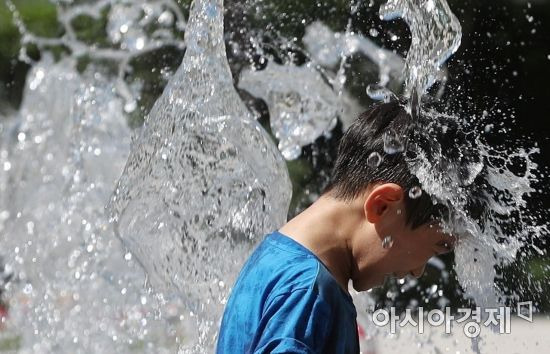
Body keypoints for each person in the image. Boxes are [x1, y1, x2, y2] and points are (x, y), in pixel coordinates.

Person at [216, 101, 457, 353]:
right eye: (438, 246)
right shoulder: (308, 295)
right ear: (383, 206)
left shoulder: (278, 261)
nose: (418, 271)